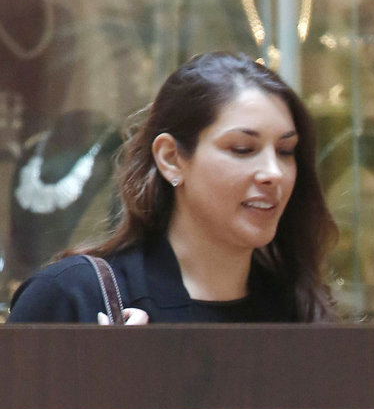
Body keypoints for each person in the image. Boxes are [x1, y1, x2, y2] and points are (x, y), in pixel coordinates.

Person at [7, 51, 337, 326]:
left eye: (285, 151)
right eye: (242, 149)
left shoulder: (299, 310)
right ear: (171, 158)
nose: (273, 173)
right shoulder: (72, 297)